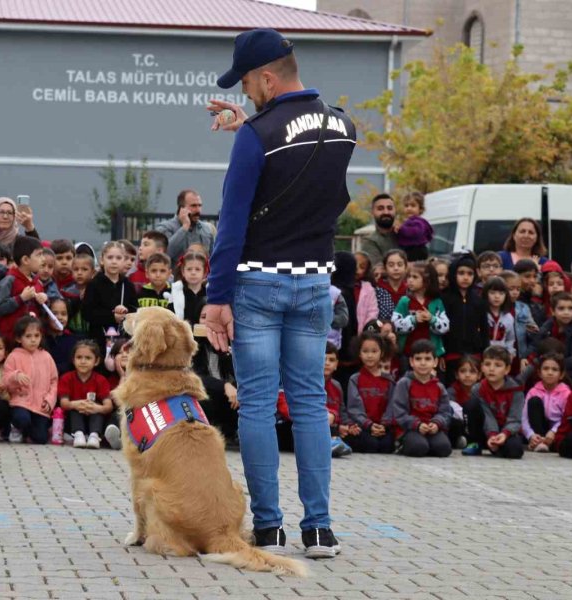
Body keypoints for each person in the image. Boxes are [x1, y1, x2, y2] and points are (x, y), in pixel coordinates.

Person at [202, 28, 356, 559]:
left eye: (247, 83)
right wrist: (253, 125)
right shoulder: (344, 126)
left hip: (258, 285)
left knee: (259, 407)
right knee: (311, 405)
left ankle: (268, 529)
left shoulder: (256, 135)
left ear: (268, 76)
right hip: (315, 282)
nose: (245, 94)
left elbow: (232, 224)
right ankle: (319, 529)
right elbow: (307, 169)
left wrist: (216, 297)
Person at [392, 339, 453, 458]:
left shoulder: (439, 386)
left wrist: (437, 423)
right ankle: (402, 445)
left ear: (435, 362)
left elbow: (445, 411)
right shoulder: (404, 383)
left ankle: (428, 444)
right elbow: (399, 412)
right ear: (411, 361)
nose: (423, 363)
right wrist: (417, 424)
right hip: (410, 428)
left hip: (431, 428)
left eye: (427, 359)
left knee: (444, 449)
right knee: (419, 448)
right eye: (418, 359)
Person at [2, 315, 58, 444]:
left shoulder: (46, 356)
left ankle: (29, 432)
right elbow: (5, 380)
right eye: (28, 336)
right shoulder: (13, 356)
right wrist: (15, 376)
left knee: (40, 439)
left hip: (40, 405)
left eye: (36, 336)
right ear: (18, 338)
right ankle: (15, 427)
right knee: (22, 419)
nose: (33, 340)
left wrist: (49, 400)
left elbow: (54, 381)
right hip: (20, 402)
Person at [461, 346, 525, 458]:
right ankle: (475, 443)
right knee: (470, 405)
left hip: (507, 431)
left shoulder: (516, 390)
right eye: (487, 364)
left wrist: (504, 434)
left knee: (515, 450)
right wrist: (492, 435)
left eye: (498, 365)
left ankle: (496, 447)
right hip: (485, 430)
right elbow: (487, 415)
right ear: (482, 367)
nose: (491, 369)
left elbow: (515, 419)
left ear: (507, 369)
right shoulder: (478, 388)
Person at [343, 332, 396, 455]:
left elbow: (392, 407)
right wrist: (369, 424)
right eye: (365, 351)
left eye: (374, 351)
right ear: (359, 354)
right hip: (363, 426)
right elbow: (354, 408)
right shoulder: (355, 379)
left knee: (387, 446)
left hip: (383, 427)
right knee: (370, 445)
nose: (369, 355)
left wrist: (384, 425)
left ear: (381, 353)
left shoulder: (389, 380)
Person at [82, 241, 138, 354]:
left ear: (124, 261)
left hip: (122, 341)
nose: (114, 261)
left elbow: (135, 311)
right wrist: (112, 317)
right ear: (102, 260)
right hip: (99, 340)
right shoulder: (94, 284)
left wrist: (124, 313)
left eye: (118, 258)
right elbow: (87, 313)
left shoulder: (128, 285)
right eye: (110, 257)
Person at [440, 253, 487, 385]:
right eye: (461, 273)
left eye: (470, 274)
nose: (465, 277)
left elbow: (484, 330)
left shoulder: (478, 300)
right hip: (450, 353)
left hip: (474, 354)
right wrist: (440, 354)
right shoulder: (445, 298)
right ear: (454, 274)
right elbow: (439, 329)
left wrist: (484, 354)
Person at [58, 341, 112, 449]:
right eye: (79, 357)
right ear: (73, 360)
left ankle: (94, 436)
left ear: (96, 361)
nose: (83, 361)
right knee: (75, 408)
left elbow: (108, 406)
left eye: (88, 358)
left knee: (97, 407)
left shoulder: (101, 380)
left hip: (94, 419)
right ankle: (78, 434)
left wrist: (97, 408)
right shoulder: (66, 378)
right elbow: (63, 403)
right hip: (73, 421)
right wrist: (76, 404)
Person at [392, 261, 449, 358]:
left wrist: (432, 319)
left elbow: (445, 327)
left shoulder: (436, 302)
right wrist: (413, 319)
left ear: (427, 281)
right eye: (409, 277)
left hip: (431, 355)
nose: (410, 280)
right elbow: (395, 325)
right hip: (408, 353)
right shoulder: (404, 301)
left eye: (415, 277)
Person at [0, 235, 46, 342]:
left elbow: (42, 312)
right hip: (12, 340)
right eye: (39, 255)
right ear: (25, 260)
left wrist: (45, 301)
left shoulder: (38, 283)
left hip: (33, 340)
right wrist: (21, 298)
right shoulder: (9, 280)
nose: (43, 259)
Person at [522, 352, 571, 453]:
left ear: (561, 374)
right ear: (539, 373)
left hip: (557, 431)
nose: (550, 372)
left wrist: (553, 431)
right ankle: (538, 442)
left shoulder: (566, 393)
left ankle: (549, 444)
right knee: (534, 401)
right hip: (538, 429)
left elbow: (565, 418)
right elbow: (524, 418)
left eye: (554, 369)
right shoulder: (533, 391)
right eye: (546, 369)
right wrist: (530, 435)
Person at [155, 189, 215, 262]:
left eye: (200, 205)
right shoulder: (164, 228)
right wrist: (184, 227)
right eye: (193, 206)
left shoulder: (206, 229)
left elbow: (212, 259)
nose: (198, 210)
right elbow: (166, 254)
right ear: (181, 208)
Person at [360, 194, 398, 266]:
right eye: (380, 208)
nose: (386, 212)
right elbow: (377, 269)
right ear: (372, 212)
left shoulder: (406, 235)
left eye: (389, 208)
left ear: (395, 211)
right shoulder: (370, 242)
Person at [483, 277, 516, 360]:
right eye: (492, 293)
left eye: (501, 293)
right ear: (486, 294)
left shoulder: (508, 317)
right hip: (483, 354)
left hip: (501, 356)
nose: (497, 296)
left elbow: (510, 338)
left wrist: (510, 353)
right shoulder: (481, 314)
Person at [395, 192, 433, 261]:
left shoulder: (418, 222)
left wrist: (401, 229)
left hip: (416, 250)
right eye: (406, 206)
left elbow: (415, 232)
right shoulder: (407, 222)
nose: (409, 208)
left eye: (413, 206)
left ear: (420, 209)